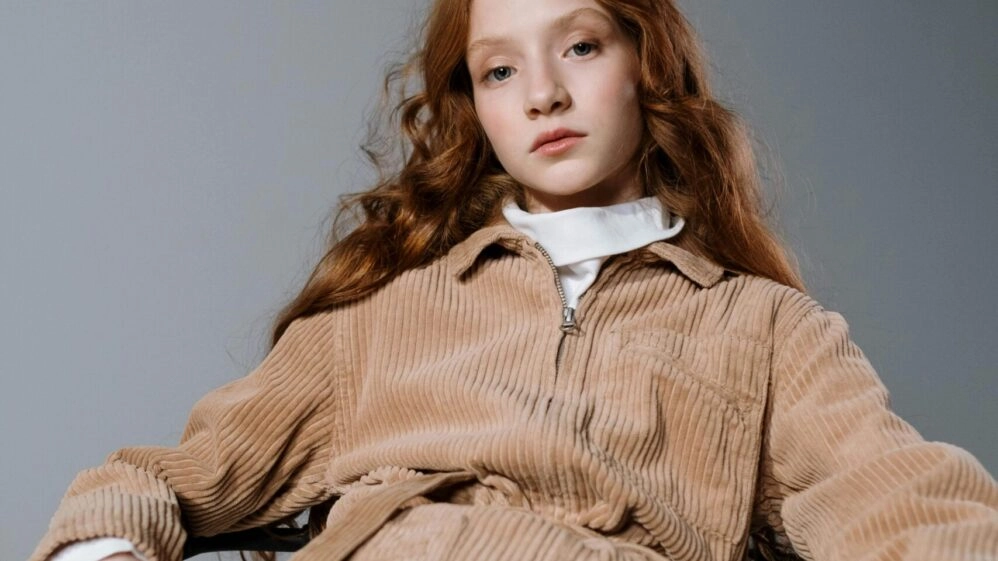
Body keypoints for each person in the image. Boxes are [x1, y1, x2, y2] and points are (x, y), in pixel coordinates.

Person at [31, 0, 998, 560]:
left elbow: (898, 500)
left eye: (580, 46)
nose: (543, 94)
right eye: (499, 71)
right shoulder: (381, 315)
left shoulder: (766, 327)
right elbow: (157, 478)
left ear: (646, 62)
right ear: (476, 108)